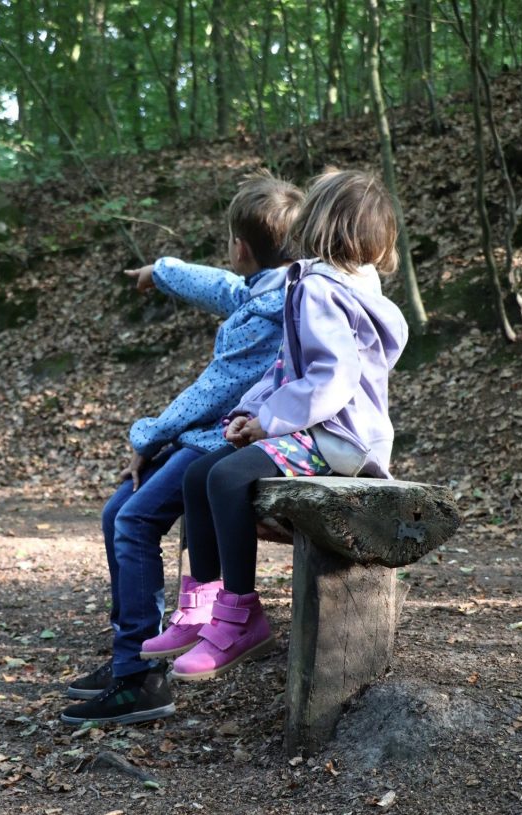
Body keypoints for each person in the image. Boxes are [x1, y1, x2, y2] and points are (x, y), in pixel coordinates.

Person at [144, 168, 409, 683]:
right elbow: (287, 368)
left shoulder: (322, 291)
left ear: (318, 222)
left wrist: (269, 422)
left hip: (338, 439)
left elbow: (331, 380)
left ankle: (241, 615)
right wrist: (252, 412)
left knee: (223, 478)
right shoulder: (327, 283)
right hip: (317, 429)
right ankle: (201, 605)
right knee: (199, 474)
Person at [61, 170, 306, 727]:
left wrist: (148, 434)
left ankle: (139, 681)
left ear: (241, 246)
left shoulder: (270, 311)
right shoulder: (271, 288)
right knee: (114, 513)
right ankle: (134, 657)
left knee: (134, 521)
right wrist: (164, 272)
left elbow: (215, 388)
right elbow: (226, 288)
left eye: (230, 242)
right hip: (211, 433)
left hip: (225, 438)